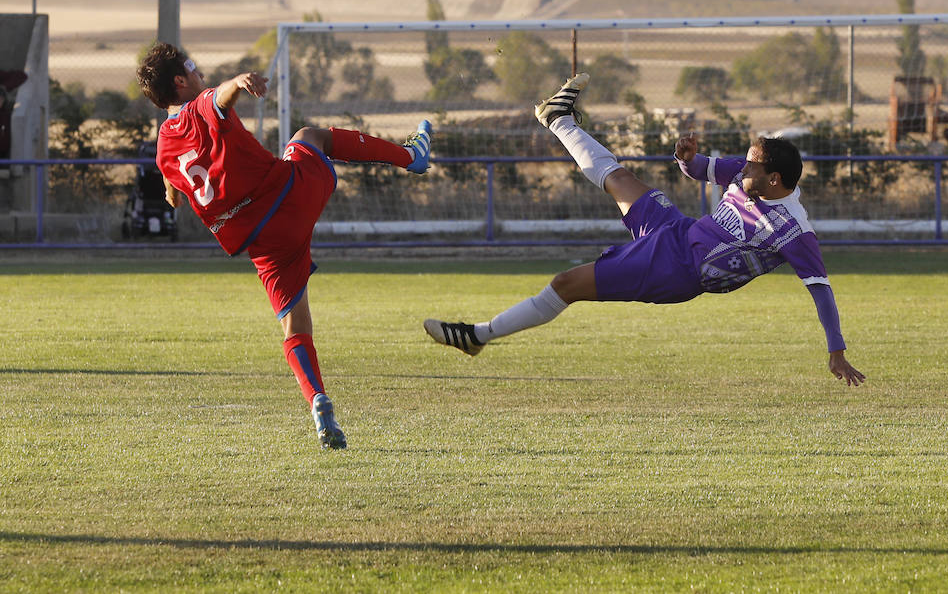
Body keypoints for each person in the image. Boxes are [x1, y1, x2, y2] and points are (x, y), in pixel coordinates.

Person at [423, 73, 864, 386]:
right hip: (677, 230)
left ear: (773, 180)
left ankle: (477, 336)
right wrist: (685, 157)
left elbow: (821, 290)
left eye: (750, 163)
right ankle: (558, 118)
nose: (741, 164)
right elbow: (699, 170)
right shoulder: (746, 174)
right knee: (619, 178)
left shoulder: (792, 230)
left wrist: (836, 351)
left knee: (566, 283)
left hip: (676, 270)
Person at [136, 42, 433, 449]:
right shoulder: (199, 106)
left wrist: (172, 190)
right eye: (194, 70)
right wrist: (237, 83)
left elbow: (172, 183)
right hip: (290, 196)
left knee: (294, 326)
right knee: (309, 136)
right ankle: (411, 156)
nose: (200, 75)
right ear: (180, 81)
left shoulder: (164, 147)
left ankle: (318, 402)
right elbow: (215, 99)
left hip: (263, 240)